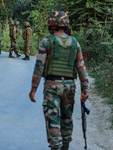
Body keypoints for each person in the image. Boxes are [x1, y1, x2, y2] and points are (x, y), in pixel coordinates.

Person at [29, 11, 89, 150]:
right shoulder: (75, 43)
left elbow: (39, 67)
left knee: (52, 119)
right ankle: (65, 146)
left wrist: (33, 89)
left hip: (52, 86)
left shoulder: (46, 41)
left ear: (52, 24)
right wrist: (85, 90)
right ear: (66, 24)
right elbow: (81, 68)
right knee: (67, 119)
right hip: (69, 87)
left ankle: (56, 147)